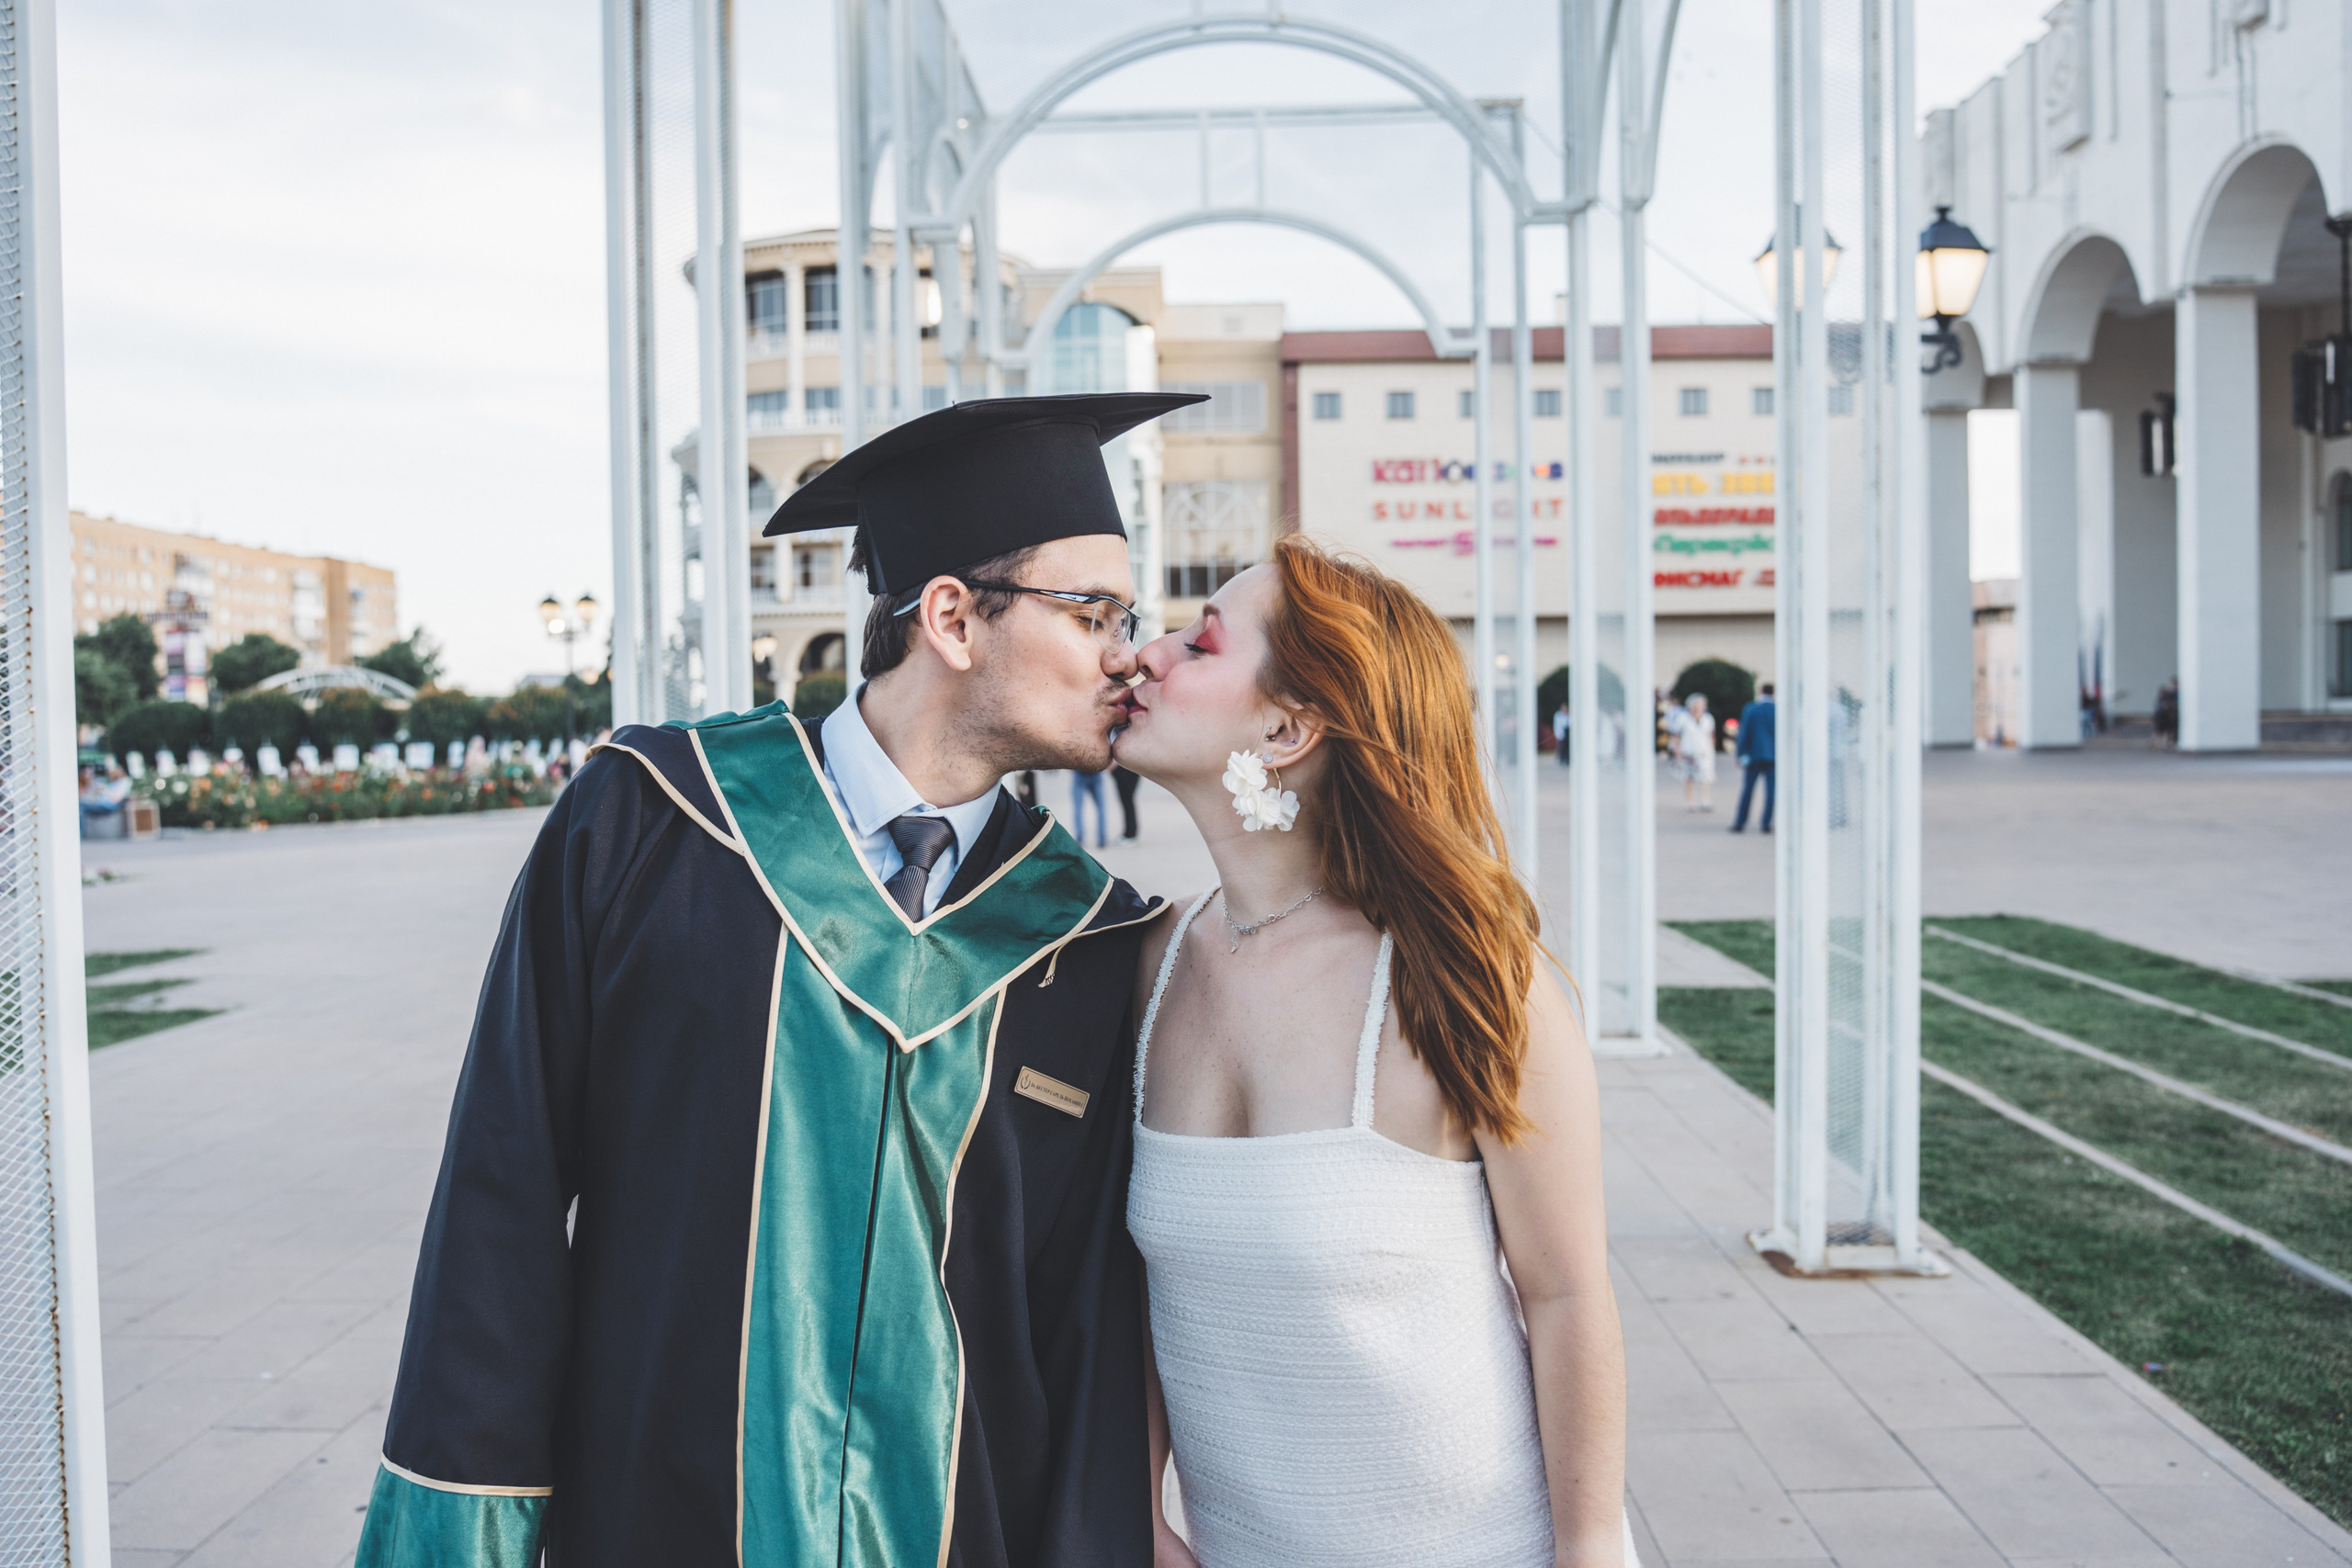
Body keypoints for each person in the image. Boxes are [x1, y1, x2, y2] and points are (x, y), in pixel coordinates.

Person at [357, 392, 1203, 1568]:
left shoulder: (1089, 942)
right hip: (656, 1522)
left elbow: (1084, 1322)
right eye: (1094, 611)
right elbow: (499, 1198)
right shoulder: (650, 827)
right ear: (953, 617)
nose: (1129, 653)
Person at [1111, 537, 1634, 1568]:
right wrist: (1137, 1516)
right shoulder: (1149, 964)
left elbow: (1568, 1295)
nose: (1147, 656)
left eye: (1199, 642)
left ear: (1287, 727)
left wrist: (1587, 1552)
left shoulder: (1469, 978)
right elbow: (1141, 1292)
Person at [1731, 681, 1775, 834]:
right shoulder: (1777, 710)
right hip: (1773, 757)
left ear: (1760, 692)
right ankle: (1766, 823)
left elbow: (1744, 733)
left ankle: (1740, 822)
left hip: (1754, 755)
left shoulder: (1751, 709)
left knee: (1748, 790)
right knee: (1771, 792)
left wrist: (1740, 753)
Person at [1670, 691, 1715, 811]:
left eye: (1700, 704)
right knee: (1688, 777)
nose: (1697, 707)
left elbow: (1710, 735)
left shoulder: (1708, 719)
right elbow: (1675, 735)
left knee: (1705, 777)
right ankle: (1690, 801)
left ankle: (1705, 800)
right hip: (1688, 751)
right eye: (1695, 704)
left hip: (1703, 752)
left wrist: (1711, 749)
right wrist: (1677, 750)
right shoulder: (1683, 718)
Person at [1072, 761, 1111, 848]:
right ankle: (1102, 839)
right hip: (1095, 772)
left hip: (1080, 772)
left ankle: (1080, 839)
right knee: (1101, 808)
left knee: (1078, 808)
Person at [1113, 762, 1142, 839]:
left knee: (1127, 802)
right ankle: (1129, 832)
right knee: (1127, 802)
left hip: (1126, 771)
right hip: (1126, 770)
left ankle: (1130, 833)